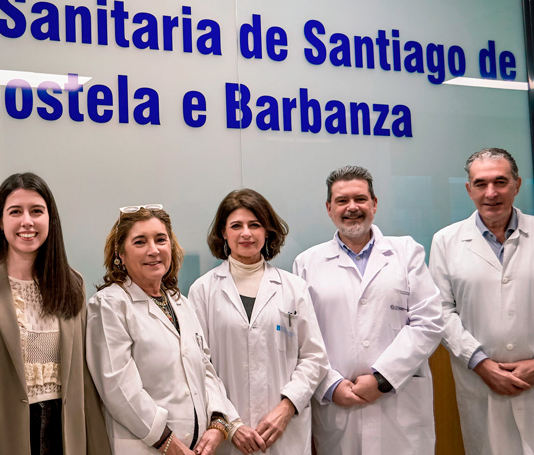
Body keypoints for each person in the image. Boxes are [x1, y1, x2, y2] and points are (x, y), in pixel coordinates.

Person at [0, 173, 110, 455]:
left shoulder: (73, 283)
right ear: (0, 222)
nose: (27, 221)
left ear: (51, 220)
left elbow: (85, 382)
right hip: (5, 438)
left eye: (37, 211)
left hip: (66, 437)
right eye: (15, 212)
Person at [293, 165, 444, 455]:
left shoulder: (407, 252)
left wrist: (382, 379)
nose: (352, 207)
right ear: (329, 208)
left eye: (360, 199)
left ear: (374, 204)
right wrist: (330, 385)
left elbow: (429, 322)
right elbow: (303, 338)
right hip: (339, 405)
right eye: (342, 200)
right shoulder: (307, 263)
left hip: (400, 404)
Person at [86, 205, 236, 455]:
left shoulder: (180, 302)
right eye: (140, 242)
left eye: (160, 239)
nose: (153, 250)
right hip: (146, 447)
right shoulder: (109, 304)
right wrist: (169, 443)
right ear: (120, 253)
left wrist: (217, 422)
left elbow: (206, 369)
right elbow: (119, 390)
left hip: (197, 448)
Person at [189, 189, 328, 455]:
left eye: (255, 225)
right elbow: (200, 365)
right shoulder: (202, 290)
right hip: (227, 436)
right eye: (236, 226)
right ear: (223, 233)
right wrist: (232, 424)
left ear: (267, 232)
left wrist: (287, 407)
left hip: (285, 432)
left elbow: (314, 358)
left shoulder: (294, 288)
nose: (246, 233)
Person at [429, 148, 534, 455]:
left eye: (500, 182)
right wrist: (481, 364)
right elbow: (441, 311)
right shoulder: (445, 241)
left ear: (517, 184)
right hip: (480, 383)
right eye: (481, 183)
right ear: (468, 189)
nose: (491, 193)